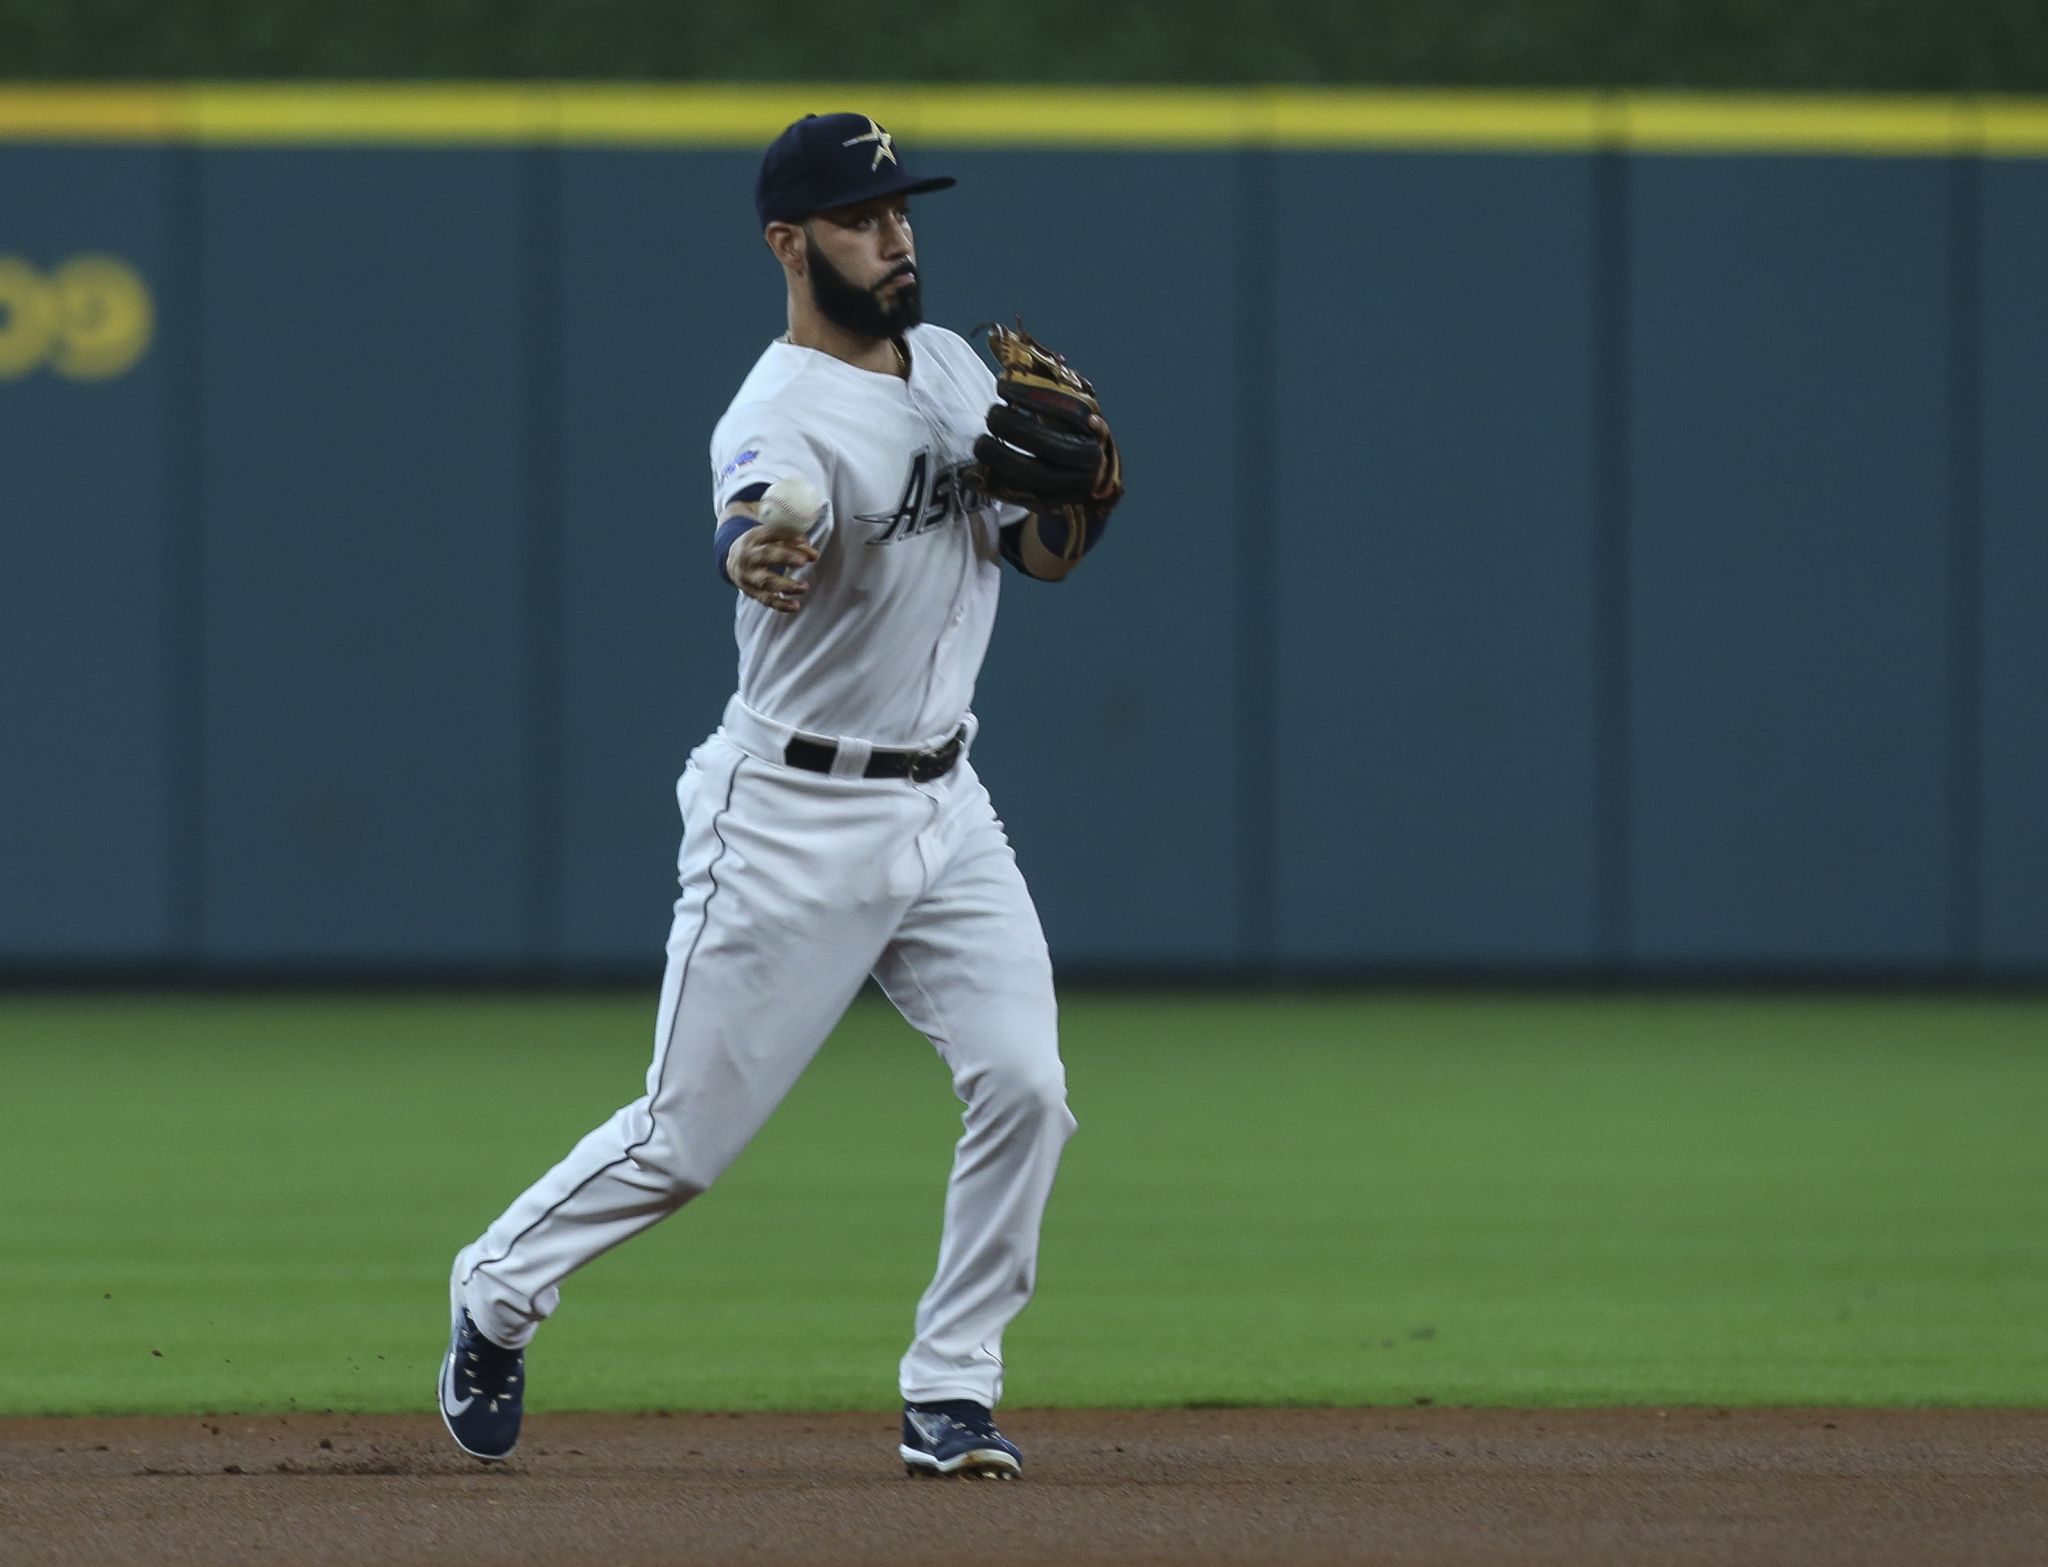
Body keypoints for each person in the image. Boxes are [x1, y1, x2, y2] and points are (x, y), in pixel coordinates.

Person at [438, 111, 1121, 1481]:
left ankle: (952, 1390)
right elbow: (767, 507)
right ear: (789, 241)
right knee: (683, 1144)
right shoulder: (774, 412)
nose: (897, 233)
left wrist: (1086, 493)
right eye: (866, 217)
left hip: (948, 802)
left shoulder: (943, 366)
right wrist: (758, 547)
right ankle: (494, 1290)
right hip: (792, 819)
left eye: (902, 208)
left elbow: (1034, 550)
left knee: (1029, 1086)